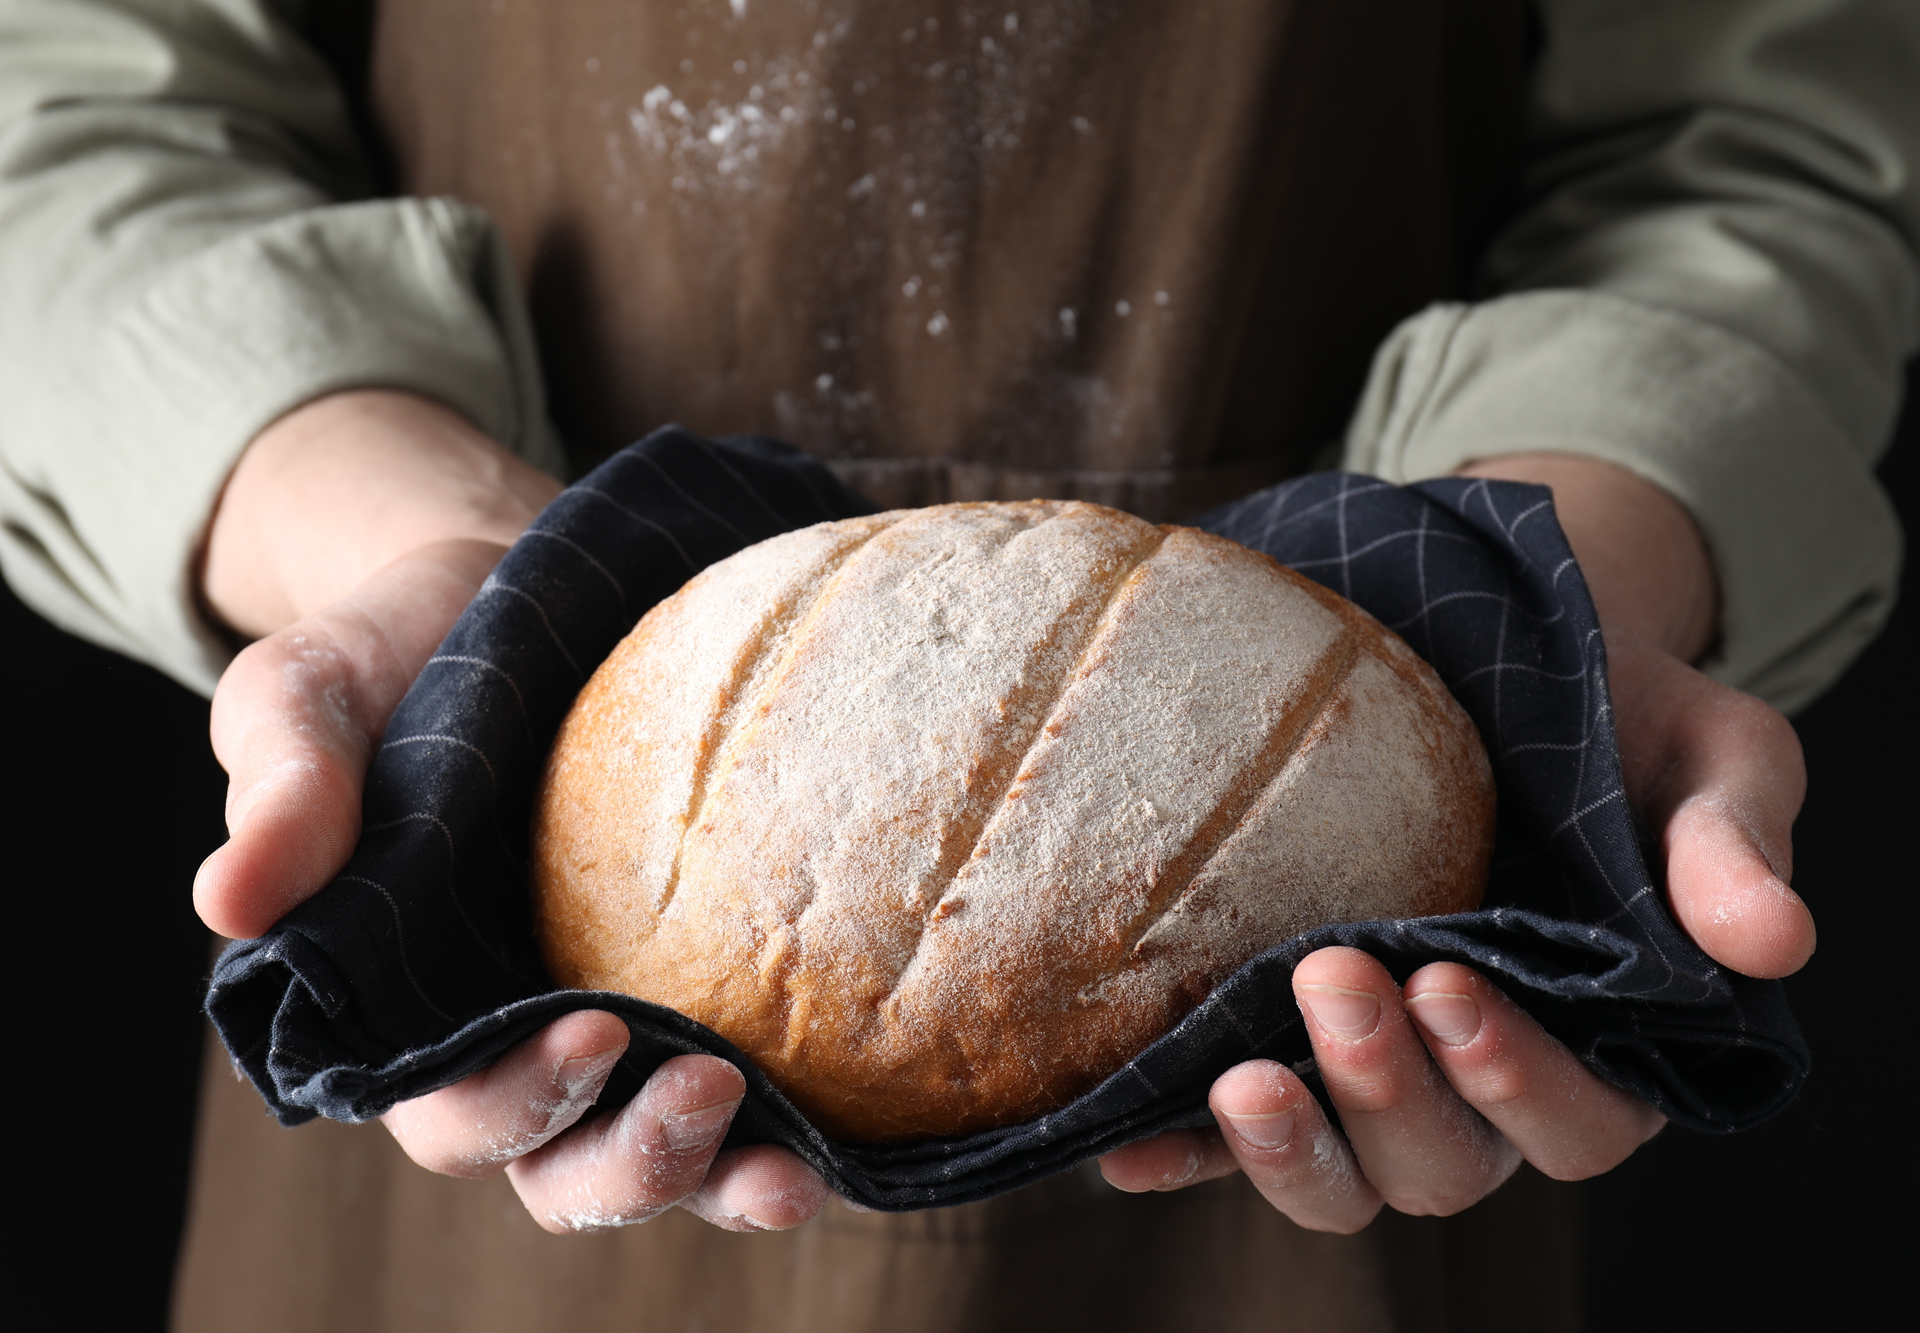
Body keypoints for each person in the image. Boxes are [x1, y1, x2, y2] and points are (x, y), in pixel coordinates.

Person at [1, 1, 1911, 1328]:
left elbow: (1756, 130)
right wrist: (415, 548)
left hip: (1357, 1069)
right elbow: (72, 97)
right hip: (504, 990)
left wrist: (1561, 581)